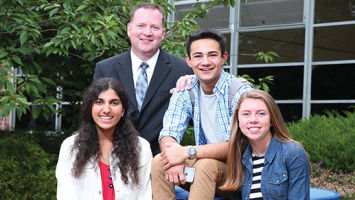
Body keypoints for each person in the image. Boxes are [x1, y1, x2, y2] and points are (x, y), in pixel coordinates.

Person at [151, 29, 254, 200]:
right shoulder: (186, 89)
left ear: (223, 58)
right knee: (159, 162)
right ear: (188, 61)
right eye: (198, 56)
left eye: (212, 55)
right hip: (205, 171)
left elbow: (239, 144)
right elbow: (168, 132)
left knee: (205, 165)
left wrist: (187, 152)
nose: (205, 62)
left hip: (240, 173)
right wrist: (173, 156)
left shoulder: (239, 91)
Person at [93, 2, 192, 156]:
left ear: (163, 33)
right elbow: (95, 117)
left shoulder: (183, 70)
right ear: (129, 29)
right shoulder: (105, 68)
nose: (147, 32)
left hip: (161, 163)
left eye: (154, 27)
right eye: (141, 25)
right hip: (113, 158)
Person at [56, 78, 152, 200]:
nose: (106, 110)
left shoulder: (142, 148)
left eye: (114, 103)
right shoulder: (70, 147)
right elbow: (66, 195)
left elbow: (145, 196)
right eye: (99, 102)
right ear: (91, 108)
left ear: (123, 110)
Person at [220, 90, 311, 200]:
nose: (253, 120)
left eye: (261, 113)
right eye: (246, 114)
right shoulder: (238, 155)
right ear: (238, 121)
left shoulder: (293, 153)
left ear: (272, 119)